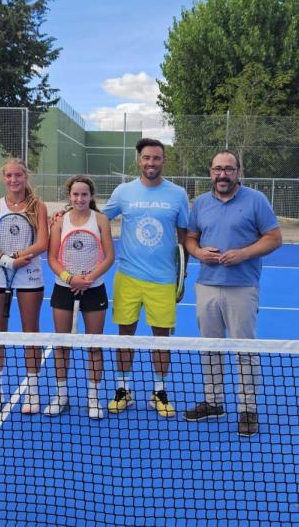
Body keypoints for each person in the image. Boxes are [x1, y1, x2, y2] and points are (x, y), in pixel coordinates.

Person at [182, 151, 282, 437]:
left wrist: (243, 254)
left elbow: (274, 238)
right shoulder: (201, 203)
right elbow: (190, 238)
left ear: (238, 172)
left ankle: (248, 409)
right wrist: (199, 252)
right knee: (210, 347)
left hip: (242, 287)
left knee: (244, 350)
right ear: (210, 172)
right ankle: (213, 402)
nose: (222, 174)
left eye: (228, 169)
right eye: (217, 169)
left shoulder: (256, 200)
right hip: (207, 286)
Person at [102, 138, 189, 418]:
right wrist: (67, 215)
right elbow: (99, 219)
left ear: (163, 161)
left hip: (163, 279)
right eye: (146, 158)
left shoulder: (178, 194)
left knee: (161, 339)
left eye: (156, 158)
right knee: (125, 335)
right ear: (138, 160)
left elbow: (184, 236)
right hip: (128, 276)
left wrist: (182, 273)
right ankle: (123, 389)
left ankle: (159, 392)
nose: (151, 162)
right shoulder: (123, 192)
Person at [0, 158, 49, 414]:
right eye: (8, 175)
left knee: (31, 333)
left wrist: (19, 257)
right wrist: (6, 260)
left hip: (30, 276)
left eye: (18, 175)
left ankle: (32, 391)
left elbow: (42, 243)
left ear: (25, 177)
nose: (13, 180)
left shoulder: (37, 206)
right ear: (3, 178)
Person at [45, 175, 115, 419]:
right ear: (69, 196)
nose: (80, 198)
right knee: (62, 345)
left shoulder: (101, 220)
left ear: (91, 196)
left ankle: (93, 399)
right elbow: (52, 257)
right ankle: (61, 396)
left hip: (94, 289)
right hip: (63, 288)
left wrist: (88, 279)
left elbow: (109, 257)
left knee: (94, 346)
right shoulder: (59, 221)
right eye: (75, 194)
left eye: (84, 194)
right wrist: (70, 278)